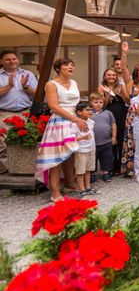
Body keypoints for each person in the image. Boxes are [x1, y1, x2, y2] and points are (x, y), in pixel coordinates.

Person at [35, 58, 86, 202]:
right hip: (60, 121)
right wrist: (76, 119)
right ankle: (55, 191)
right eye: (66, 65)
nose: (70, 67)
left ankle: (70, 183)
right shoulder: (51, 84)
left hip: (75, 120)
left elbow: (77, 103)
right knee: (56, 157)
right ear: (58, 68)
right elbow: (54, 106)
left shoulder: (74, 83)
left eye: (72, 65)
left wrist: (83, 116)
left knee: (70, 155)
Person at [0, 49, 37, 173]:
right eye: (8, 59)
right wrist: (9, 86)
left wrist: (25, 86)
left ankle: (21, 169)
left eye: (14, 58)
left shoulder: (28, 74)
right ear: (1, 61)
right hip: (4, 113)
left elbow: (38, 94)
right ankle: (4, 173)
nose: (12, 61)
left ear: (18, 60)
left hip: (25, 113)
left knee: (24, 142)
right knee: (3, 144)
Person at [98, 67, 129, 174]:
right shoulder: (101, 87)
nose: (111, 77)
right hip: (108, 115)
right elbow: (103, 105)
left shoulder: (121, 86)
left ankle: (122, 166)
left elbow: (128, 101)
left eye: (113, 75)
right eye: (109, 75)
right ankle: (111, 167)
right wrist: (107, 93)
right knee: (110, 140)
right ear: (105, 76)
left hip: (121, 114)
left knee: (121, 139)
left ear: (116, 77)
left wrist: (121, 94)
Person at [71, 102, 99, 197]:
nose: (90, 111)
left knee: (88, 169)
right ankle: (81, 189)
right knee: (80, 170)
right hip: (81, 150)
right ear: (79, 112)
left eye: (91, 109)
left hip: (91, 149)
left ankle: (88, 187)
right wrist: (82, 138)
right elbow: (71, 138)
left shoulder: (91, 122)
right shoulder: (75, 124)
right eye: (87, 110)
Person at [89, 92, 116, 183]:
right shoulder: (89, 114)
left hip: (106, 141)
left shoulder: (108, 113)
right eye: (95, 102)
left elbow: (113, 125)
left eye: (100, 102)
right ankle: (92, 174)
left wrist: (114, 137)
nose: (98, 104)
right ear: (91, 103)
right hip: (93, 143)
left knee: (107, 158)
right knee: (92, 159)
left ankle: (106, 173)